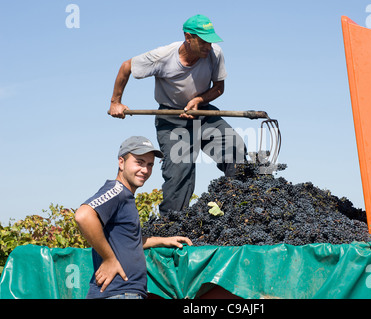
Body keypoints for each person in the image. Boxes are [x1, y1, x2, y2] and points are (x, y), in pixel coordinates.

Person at [108, 14, 247, 215]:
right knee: (180, 173)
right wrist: (116, 102)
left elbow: (218, 88)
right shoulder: (163, 56)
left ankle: (239, 210)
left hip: (203, 112)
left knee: (236, 151)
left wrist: (199, 100)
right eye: (204, 41)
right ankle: (171, 228)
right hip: (171, 118)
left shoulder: (215, 54)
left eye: (211, 41)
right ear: (188, 37)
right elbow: (126, 67)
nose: (209, 46)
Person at [75, 136, 192, 299]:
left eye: (149, 164)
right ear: (121, 162)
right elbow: (83, 215)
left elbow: (129, 241)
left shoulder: (126, 197)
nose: (145, 170)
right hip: (118, 293)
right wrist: (109, 259)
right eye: (139, 162)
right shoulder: (117, 191)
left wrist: (163, 240)